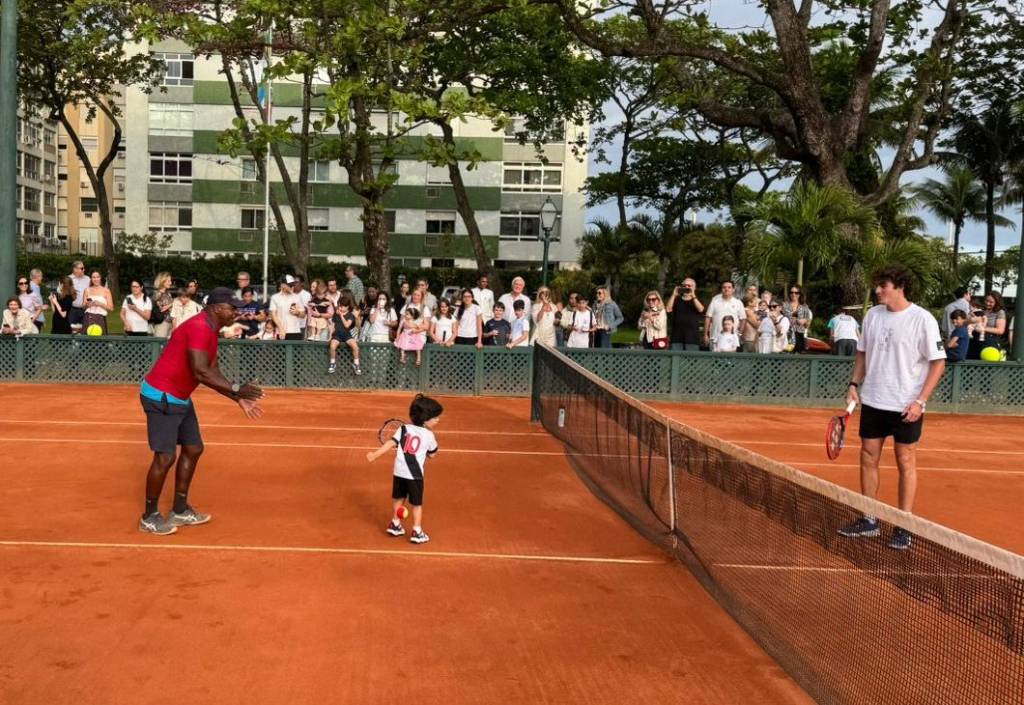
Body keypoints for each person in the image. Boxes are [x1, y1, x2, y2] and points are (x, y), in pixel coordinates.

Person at [137, 287, 264, 535]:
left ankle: (180, 510)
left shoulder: (210, 330)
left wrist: (237, 397)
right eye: (232, 308)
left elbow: (212, 371)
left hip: (179, 397)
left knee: (193, 448)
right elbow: (201, 372)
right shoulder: (199, 328)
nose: (236, 313)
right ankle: (149, 517)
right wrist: (237, 388)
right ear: (216, 308)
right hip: (161, 395)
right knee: (165, 457)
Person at [840, 266, 946, 551]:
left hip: (906, 405)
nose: (878, 290)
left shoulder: (922, 319)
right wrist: (854, 383)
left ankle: (903, 524)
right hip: (874, 399)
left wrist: (920, 401)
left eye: (883, 285)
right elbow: (862, 353)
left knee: (905, 460)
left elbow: (938, 363)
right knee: (868, 456)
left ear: (900, 286)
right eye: (877, 285)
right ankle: (869, 518)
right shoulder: (873, 316)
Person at [365, 394, 443, 545]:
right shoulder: (429, 435)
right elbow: (432, 454)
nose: (437, 420)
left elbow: (390, 444)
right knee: (417, 504)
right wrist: (427, 453)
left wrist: (374, 455)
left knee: (398, 498)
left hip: (399, 472)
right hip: (415, 475)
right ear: (425, 419)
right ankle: (417, 531)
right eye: (435, 417)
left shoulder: (403, 429)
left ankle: (395, 523)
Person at [704, 281, 746, 350]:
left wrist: (739, 334)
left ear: (733, 290)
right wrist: (705, 334)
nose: (726, 289)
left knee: (730, 357)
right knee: (714, 356)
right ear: (721, 289)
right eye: (724, 287)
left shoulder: (738, 303)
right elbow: (708, 318)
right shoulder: (715, 301)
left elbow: (743, 319)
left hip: (731, 338)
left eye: (729, 287)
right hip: (715, 337)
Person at [667, 278, 704, 351]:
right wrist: (674, 295)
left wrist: (693, 295)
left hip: (692, 338)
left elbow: (701, 309)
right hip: (677, 337)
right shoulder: (676, 299)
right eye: (684, 286)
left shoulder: (696, 299)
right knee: (676, 357)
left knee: (691, 357)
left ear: (694, 287)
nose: (686, 287)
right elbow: (668, 309)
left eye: (689, 286)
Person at [328, 297, 361, 375]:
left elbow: (347, 325)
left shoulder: (350, 315)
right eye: (339, 306)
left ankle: (356, 364)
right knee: (332, 346)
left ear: (347, 307)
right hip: (337, 335)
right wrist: (330, 336)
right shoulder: (335, 314)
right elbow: (332, 326)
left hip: (346, 335)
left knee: (355, 347)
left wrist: (341, 315)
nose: (340, 308)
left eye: (342, 306)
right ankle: (332, 363)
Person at [270, 276, 305, 340]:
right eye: (290, 285)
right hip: (280, 331)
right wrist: (281, 328)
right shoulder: (275, 297)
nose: (292, 287)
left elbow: (303, 315)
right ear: (282, 285)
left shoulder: (297, 297)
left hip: (295, 331)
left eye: (293, 285)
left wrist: (298, 313)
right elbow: (273, 315)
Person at [82, 271, 114, 335]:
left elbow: (111, 308)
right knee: (87, 338)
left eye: (97, 277)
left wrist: (100, 304)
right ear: (91, 279)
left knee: (101, 339)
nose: (95, 279)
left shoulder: (106, 290)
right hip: (88, 317)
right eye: (93, 277)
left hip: (100, 318)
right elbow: (83, 306)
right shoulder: (87, 290)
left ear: (100, 278)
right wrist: (88, 305)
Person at [783, 285, 813, 353]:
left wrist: (805, 321)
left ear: (800, 294)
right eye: (791, 292)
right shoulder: (784, 305)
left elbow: (807, 325)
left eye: (796, 293)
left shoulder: (805, 306)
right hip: (787, 335)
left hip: (800, 336)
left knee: (799, 357)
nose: (793, 294)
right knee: (787, 356)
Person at [149, 272, 174, 338]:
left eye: (170, 281)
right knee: (159, 343)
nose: (170, 283)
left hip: (170, 322)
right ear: (162, 281)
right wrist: (172, 304)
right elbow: (161, 309)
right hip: (162, 323)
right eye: (168, 281)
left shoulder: (168, 293)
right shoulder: (157, 294)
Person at [69, 260, 90, 333]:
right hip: (71, 310)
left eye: (83, 268)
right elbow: (60, 292)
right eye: (82, 268)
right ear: (75, 269)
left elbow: (91, 293)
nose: (84, 270)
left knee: (85, 331)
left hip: (85, 310)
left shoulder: (88, 279)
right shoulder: (68, 279)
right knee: (71, 331)